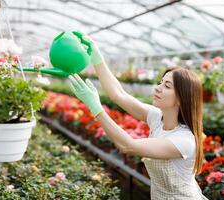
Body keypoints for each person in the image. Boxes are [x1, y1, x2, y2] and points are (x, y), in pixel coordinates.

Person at [68, 37, 208, 200]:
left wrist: (96, 107)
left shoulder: (184, 140)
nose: (158, 88)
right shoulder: (158, 118)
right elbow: (118, 94)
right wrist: (97, 58)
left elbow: (128, 146)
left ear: (181, 98)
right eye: (161, 82)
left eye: (167, 86)